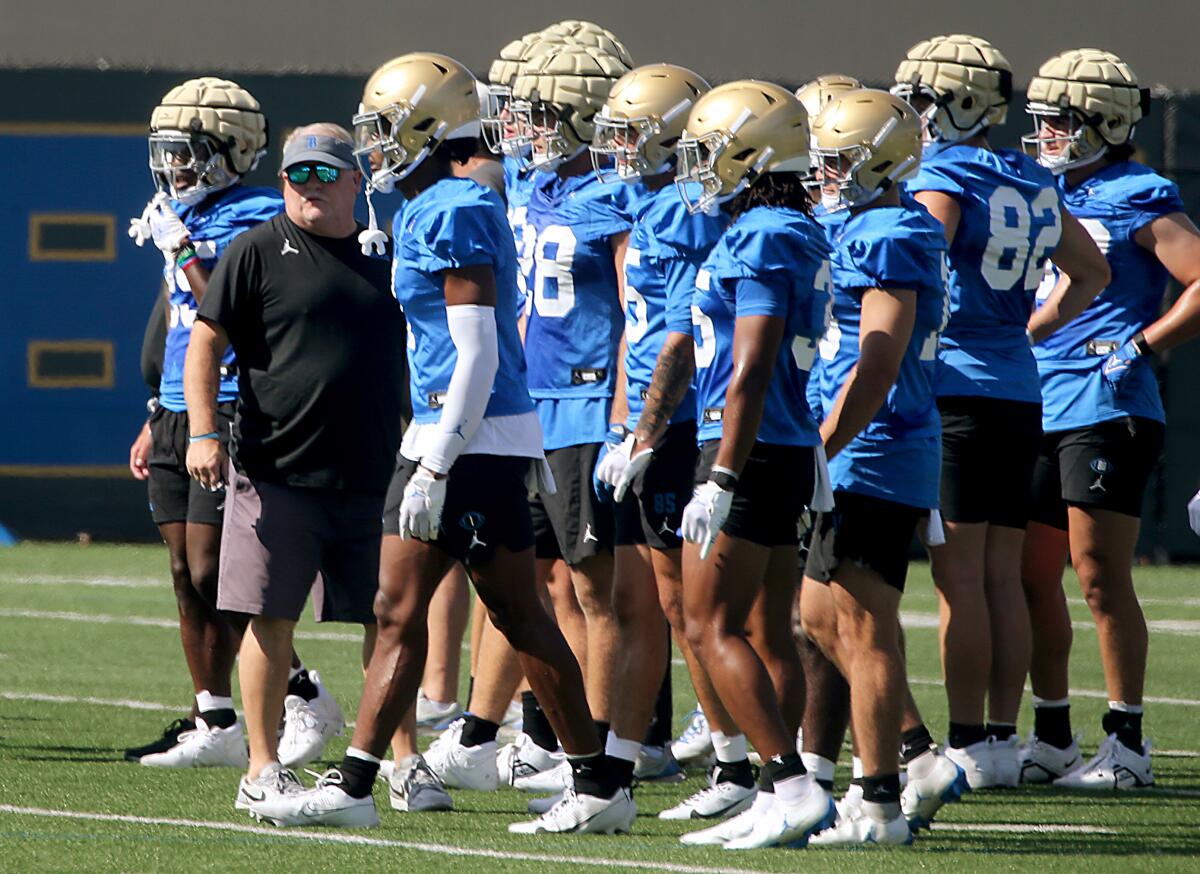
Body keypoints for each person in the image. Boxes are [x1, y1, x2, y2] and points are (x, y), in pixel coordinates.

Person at [244, 54, 634, 836]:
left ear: (427, 127)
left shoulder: (453, 207)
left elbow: (479, 350)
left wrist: (436, 459)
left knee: (421, 609)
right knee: (495, 613)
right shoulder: (437, 203)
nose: (374, 148)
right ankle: (594, 782)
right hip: (460, 433)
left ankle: (362, 783)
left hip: (469, 439)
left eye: (384, 130)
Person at [893, 33, 1110, 788]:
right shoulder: (1033, 178)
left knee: (963, 582)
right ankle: (995, 738)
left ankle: (967, 742)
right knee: (1001, 575)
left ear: (957, 104)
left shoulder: (941, 175)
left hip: (954, 386)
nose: (912, 116)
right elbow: (1091, 272)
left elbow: (916, 267)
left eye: (921, 101)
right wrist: (1029, 329)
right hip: (1018, 389)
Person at [183, 123, 404, 812]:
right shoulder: (256, 250)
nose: (308, 187)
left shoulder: (384, 252)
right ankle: (262, 767)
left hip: (375, 470)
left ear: (353, 180)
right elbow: (204, 342)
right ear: (282, 182)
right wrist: (203, 431)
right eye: (296, 175)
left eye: (322, 174)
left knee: (388, 619)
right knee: (268, 617)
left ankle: (402, 760)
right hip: (276, 470)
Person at [1020, 48, 1200, 788]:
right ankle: (1052, 731)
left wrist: (1141, 344)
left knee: (1099, 575)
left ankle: (1126, 741)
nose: (1050, 135)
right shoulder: (1036, 186)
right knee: (1030, 576)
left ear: (1107, 121)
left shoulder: (1139, 191)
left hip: (1106, 402)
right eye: (1044, 121)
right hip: (1033, 397)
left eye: (1063, 120)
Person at [668, 79, 834, 851]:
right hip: (781, 445)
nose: (697, 168)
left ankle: (789, 782)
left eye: (708, 152)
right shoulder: (785, 227)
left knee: (708, 625)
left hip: (749, 446)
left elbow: (752, 367)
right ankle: (780, 791)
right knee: (767, 628)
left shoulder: (765, 232)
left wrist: (722, 474)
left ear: (750, 152)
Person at [798, 88, 953, 845]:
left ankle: (881, 798)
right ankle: (903, 765)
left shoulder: (888, 231)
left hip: (877, 444)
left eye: (838, 162)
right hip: (872, 442)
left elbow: (879, 358)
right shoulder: (879, 222)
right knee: (824, 617)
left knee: (862, 624)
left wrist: (821, 443)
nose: (824, 175)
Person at [589, 62, 743, 815]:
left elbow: (679, 335)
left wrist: (645, 430)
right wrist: (625, 423)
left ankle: (738, 763)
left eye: (631, 135)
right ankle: (623, 763)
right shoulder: (650, 204)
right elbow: (640, 334)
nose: (618, 149)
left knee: (686, 607)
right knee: (643, 601)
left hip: (684, 426)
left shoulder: (690, 209)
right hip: (653, 422)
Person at [123, 77, 285, 768]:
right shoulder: (183, 213)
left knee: (216, 564)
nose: (174, 170)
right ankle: (211, 716)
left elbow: (224, 309)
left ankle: (300, 690)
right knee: (184, 573)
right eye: (166, 155)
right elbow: (176, 325)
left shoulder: (258, 214)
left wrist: (183, 249)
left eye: (187, 155)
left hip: (226, 405)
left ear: (231, 151)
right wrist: (154, 408)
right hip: (179, 405)